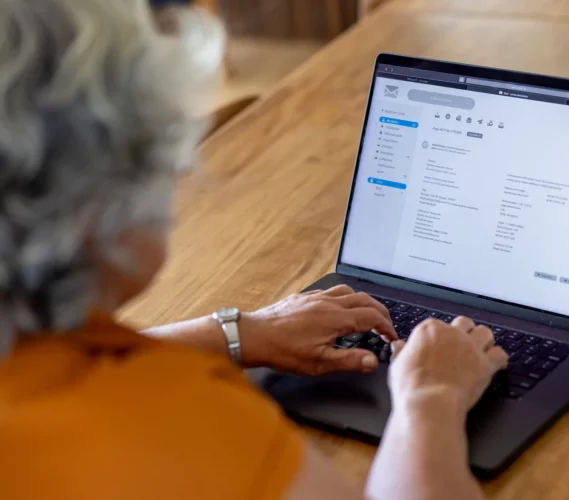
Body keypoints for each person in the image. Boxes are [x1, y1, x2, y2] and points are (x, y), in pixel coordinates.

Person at [0, 1, 508, 499]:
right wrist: (430, 399)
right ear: (85, 198)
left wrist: (234, 333)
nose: (180, 171)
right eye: (156, 143)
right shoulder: (179, 424)